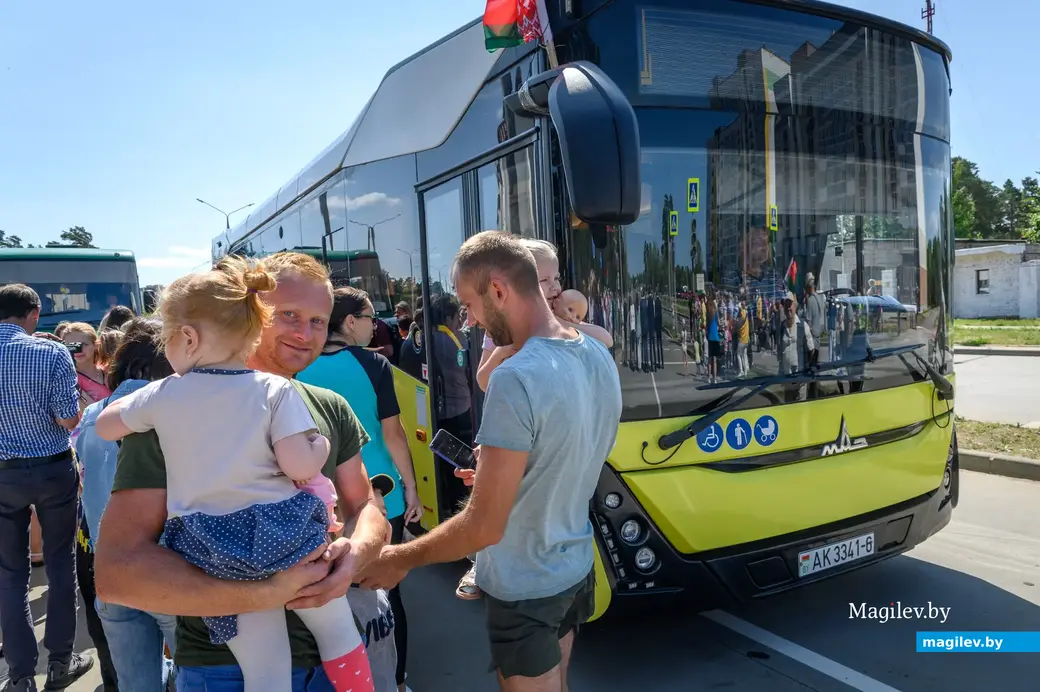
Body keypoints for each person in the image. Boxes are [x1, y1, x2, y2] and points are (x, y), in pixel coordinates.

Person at [94, 251, 389, 692]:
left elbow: (365, 504)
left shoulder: (328, 404)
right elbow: (118, 573)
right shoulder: (169, 417)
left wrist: (354, 556)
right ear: (250, 313)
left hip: (320, 668)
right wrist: (268, 593)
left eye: (318, 321)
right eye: (287, 314)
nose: (305, 333)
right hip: (219, 669)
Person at [359, 231, 623, 692]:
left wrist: (400, 557)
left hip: (526, 584)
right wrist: (498, 467)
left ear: (498, 290)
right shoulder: (597, 353)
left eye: (470, 304)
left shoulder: (514, 376)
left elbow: (483, 527)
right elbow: (566, 449)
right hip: (574, 565)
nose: (471, 319)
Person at [297, 286, 422, 692]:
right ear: (350, 322)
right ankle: (396, 680)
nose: (376, 326)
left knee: (329, 593)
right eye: (370, 318)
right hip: (381, 496)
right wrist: (412, 488)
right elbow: (394, 434)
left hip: (319, 500)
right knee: (388, 591)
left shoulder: (296, 366)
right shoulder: (373, 365)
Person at [75, 317, 179, 691]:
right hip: (167, 571)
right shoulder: (171, 411)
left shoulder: (90, 418)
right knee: (197, 676)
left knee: (136, 685)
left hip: (110, 576)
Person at [0, 284, 94, 692]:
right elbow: (68, 421)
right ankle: (59, 661)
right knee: (60, 564)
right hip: (53, 471)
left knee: (10, 574)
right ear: (34, 314)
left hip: (3, 475)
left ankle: (20, 676)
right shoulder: (51, 352)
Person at [61, 321, 112, 410]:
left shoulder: (110, 370)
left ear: (96, 345)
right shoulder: (68, 379)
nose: (78, 349)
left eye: (84, 344)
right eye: (71, 345)